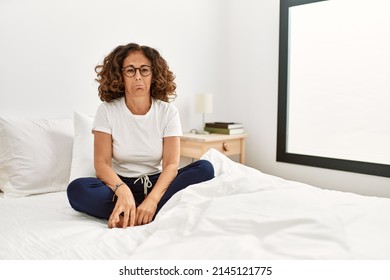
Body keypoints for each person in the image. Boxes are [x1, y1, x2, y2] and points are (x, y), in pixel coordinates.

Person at [67, 43, 214, 228]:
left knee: (205, 169)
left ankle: (135, 215)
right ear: (120, 75)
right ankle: (143, 212)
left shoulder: (168, 112)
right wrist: (123, 191)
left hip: (157, 185)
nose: (138, 76)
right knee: (77, 190)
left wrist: (152, 200)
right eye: (130, 70)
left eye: (144, 70)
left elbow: (171, 165)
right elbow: (102, 164)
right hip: (118, 185)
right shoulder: (107, 111)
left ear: (153, 74)